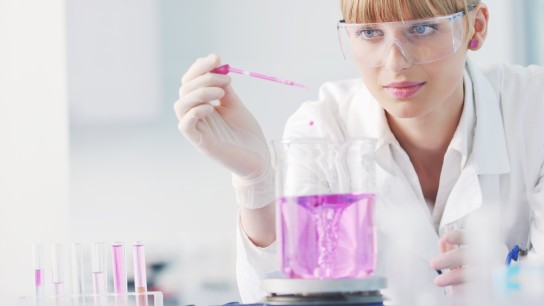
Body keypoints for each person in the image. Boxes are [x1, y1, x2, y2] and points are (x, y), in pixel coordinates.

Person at [174, 0, 544, 303]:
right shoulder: (322, 129)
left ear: (475, 28)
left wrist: (514, 284)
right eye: (370, 33)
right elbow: (288, 295)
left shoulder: (533, 110)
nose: (394, 62)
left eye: (422, 28)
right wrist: (255, 181)